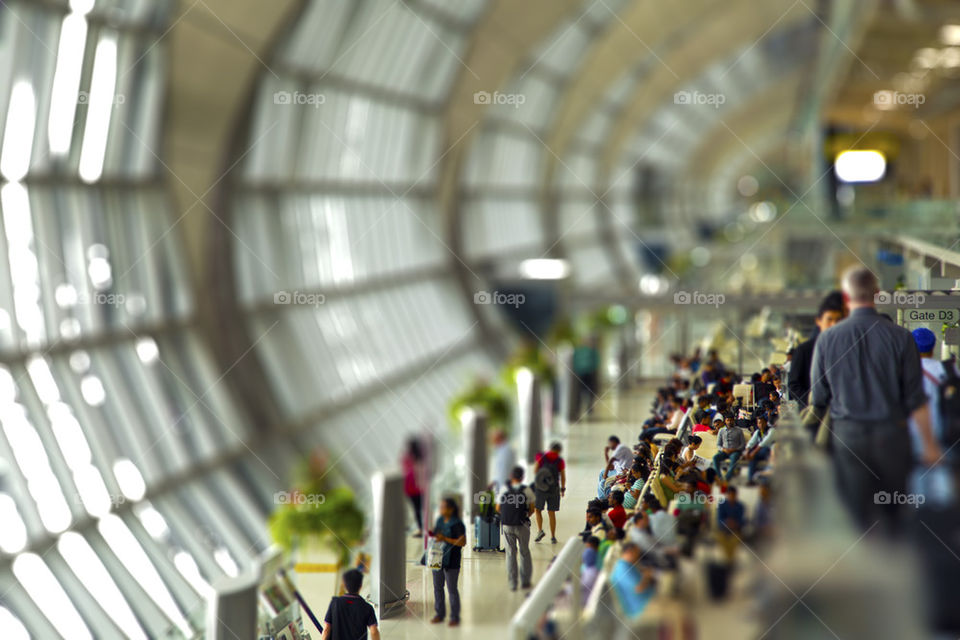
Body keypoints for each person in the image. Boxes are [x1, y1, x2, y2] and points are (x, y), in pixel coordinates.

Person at [811, 266, 941, 534]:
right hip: (892, 436)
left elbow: (819, 396)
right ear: (877, 294)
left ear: (846, 298)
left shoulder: (827, 340)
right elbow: (916, 398)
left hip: (848, 438)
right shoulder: (901, 337)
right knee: (894, 513)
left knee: (856, 516)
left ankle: (863, 567)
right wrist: (929, 445)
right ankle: (896, 558)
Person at [788, 291, 844, 414]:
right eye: (829, 319)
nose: (833, 324)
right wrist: (812, 402)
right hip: (813, 414)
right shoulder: (804, 350)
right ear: (818, 321)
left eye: (838, 320)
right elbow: (793, 385)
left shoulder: (845, 348)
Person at [908, 328, 948, 462]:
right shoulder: (948, 370)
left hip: (910, 432)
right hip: (942, 431)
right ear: (933, 347)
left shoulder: (902, 371)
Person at [496, 466, 535, 591]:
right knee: (524, 552)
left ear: (511, 477)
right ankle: (525, 581)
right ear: (522, 477)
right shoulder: (527, 490)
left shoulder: (504, 489)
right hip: (522, 525)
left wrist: (508, 517)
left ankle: (513, 583)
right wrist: (523, 516)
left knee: (510, 554)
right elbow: (532, 509)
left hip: (507, 526)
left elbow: (497, 508)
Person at [429, 497, 466, 626]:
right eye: (440, 507)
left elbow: (462, 542)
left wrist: (445, 538)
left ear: (451, 509)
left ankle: (455, 617)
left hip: (452, 561)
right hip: (437, 559)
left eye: (444, 507)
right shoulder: (439, 520)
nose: (441, 509)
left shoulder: (457, 524)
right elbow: (435, 535)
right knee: (437, 588)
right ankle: (439, 614)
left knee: (452, 589)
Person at [322, 569, 379, 640]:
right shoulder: (367, 607)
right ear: (361, 586)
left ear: (344, 585)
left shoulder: (335, 603)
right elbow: (374, 631)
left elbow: (326, 629)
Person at [609, 543, 656, 619]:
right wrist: (647, 576)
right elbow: (638, 589)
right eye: (637, 553)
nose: (638, 557)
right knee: (674, 610)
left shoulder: (626, 565)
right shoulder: (623, 569)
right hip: (641, 608)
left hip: (648, 600)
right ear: (630, 552)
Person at [533, 441, 566, 544]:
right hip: (554, 488)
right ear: (559, 450)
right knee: (551, 512)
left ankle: (540, 531)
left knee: (537, 510)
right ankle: (553, 536)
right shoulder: (560, 460)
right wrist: (563, 489)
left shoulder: (541, 456)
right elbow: (563, 476)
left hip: (541, 488)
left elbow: (535, 470)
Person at [572, 336, 600, 420]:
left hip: (589, 373)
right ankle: (579, 408)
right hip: (581, 374)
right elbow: (575, 361)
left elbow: (596, 361)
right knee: (580, 392)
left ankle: (589, 406)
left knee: (590, 391)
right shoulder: (578, 351)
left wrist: (593, 369)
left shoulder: (592, 351)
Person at [743, 415, 777, 485]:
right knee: (752, 459)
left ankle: (765, 482)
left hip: (771, 451)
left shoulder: (772, 430)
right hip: (761, 452)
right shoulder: (758, 432)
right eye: (759, 423)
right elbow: (751, 442)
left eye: (762, 423)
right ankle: (751, 479)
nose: (760, 424)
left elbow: (764, 443)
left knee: (769, 463)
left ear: (766, 423)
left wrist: (753, 453)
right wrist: (747, 451)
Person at [401, 438, 425, 537]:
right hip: (418, 487)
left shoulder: (407, 458)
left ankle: (421, 528)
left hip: (410, 488)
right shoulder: (420, 457)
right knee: (420, 508)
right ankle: (423, 527)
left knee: (416, 509)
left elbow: (403, 470)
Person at [716, 486, 746, 562]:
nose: (732, 497)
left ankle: (729, 560)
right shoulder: (722, 505)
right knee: (721, 539)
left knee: (735, 541)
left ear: (736, 495)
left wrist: (735, 523)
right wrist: (726, 522)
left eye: (733, 495)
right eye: (730, 495)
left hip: (736, 530)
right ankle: (729, 560)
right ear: (727, 495)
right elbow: (719, 519)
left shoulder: (740, 506)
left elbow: (742, 520)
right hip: (723, 530)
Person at [712, 419, 747, 483]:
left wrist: (735, 449)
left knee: (734, 458)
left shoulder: (739, 430)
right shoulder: (721, 430)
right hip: (724, 452)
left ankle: (727, 478)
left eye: (731, 420)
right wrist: (723, 449)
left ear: (734, 421)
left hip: (735, 451)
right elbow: (718, 445)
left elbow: (743, 444)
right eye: (728, 420)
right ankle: (719, 477)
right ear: (725, 421)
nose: (730, 422)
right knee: (715, 458)